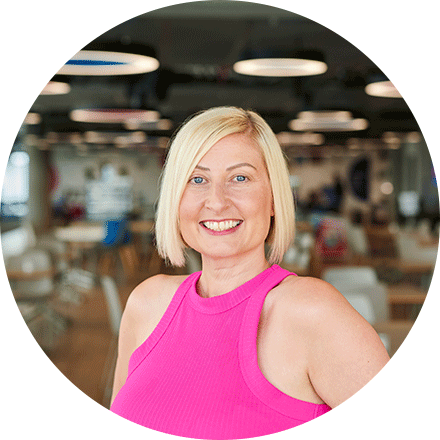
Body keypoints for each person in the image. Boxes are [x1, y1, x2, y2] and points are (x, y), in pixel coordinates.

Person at [110, 107, 389, 439]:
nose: (216, 201)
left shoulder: (313, 312)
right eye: (197, 179)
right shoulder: (146, 304)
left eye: (239, 178)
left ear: (272, 198)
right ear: (175, 197)